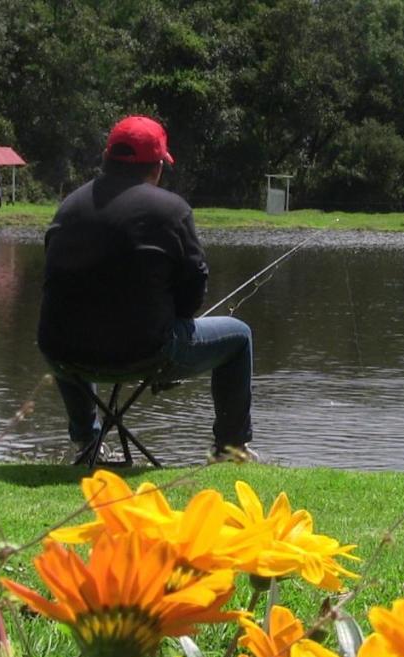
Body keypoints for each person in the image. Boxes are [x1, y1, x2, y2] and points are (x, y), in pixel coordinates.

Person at [38, 115, 255, 464]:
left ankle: (87, 442)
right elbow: (194, 293)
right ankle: (231, 451)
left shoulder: (69, 207)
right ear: (156, 167)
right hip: (147, 352)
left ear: (107, 159)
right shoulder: (172, 210)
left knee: (68, 325)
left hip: (62, 355)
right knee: (240, 336)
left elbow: (57, 287)